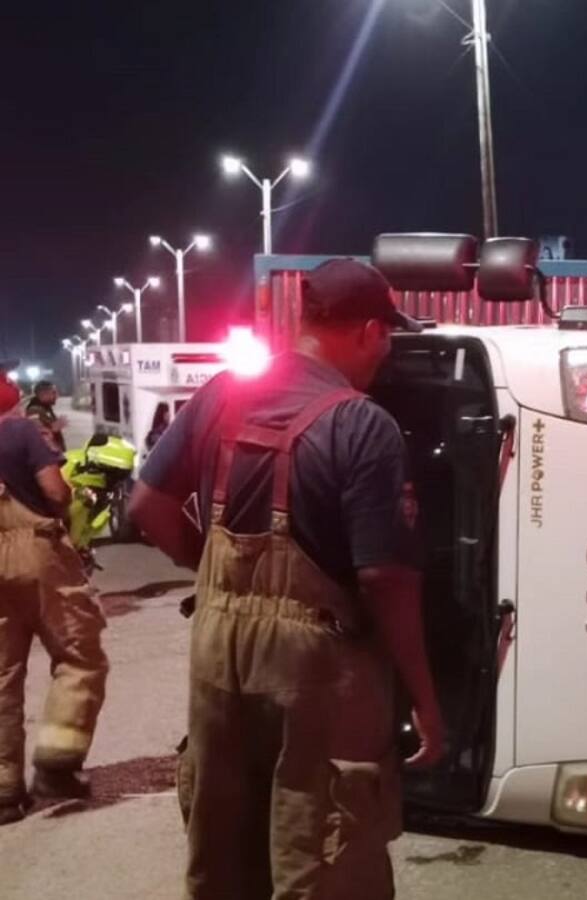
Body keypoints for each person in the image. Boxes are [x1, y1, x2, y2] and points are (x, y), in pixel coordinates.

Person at [130, 258, 445, 900]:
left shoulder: (222, 394)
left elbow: (147, 507)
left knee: (223, 840)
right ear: (365, 331)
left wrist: (217, 576)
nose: (384, 351)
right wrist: (424, 695)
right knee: (324, 843)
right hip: (317, 665)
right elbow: (384, 576)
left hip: (217, 647)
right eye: (385, 334)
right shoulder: (362, 423)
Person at [0, 375, 108, 825]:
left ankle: (5, 792)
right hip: (34, 550)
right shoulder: (21, 430)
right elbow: (55, 491)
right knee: (79, 655)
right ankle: (57, 765)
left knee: (2, 674)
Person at [26, 380, 66, 453]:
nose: (57, 396)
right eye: (53, 393)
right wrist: (53, 429)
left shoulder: (45, 408)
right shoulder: (34, 410)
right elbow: (36, 435)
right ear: (43, 394)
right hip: (46, 457)